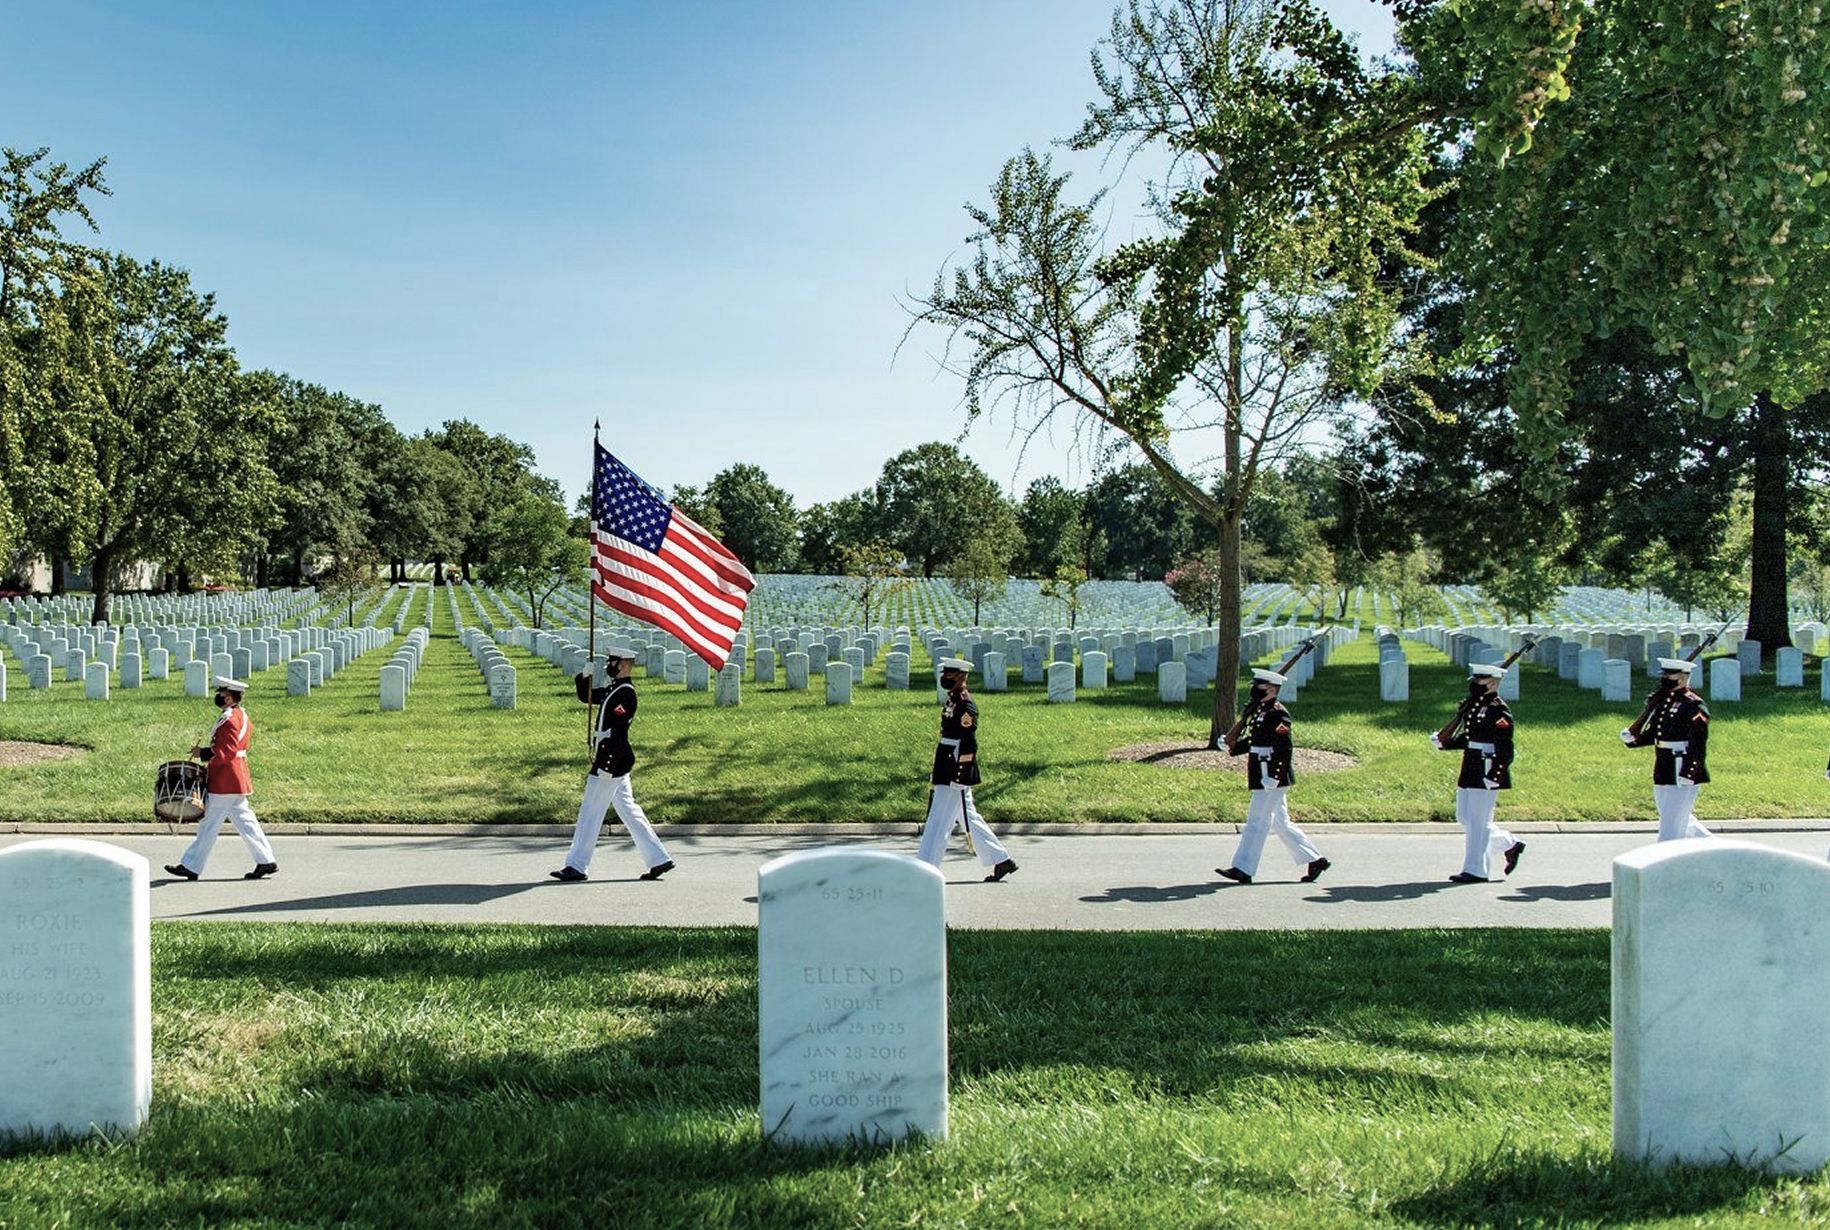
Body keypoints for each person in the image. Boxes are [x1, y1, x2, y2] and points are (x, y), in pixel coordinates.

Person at [552, 645, 675, 882]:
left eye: (614, 661)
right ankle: (659, 859)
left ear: (626, 664)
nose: (610, 665)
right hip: (614, 762)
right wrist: (584, 677)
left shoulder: (626, 693)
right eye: (610, 661)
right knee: (628, 809)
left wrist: (605, 765)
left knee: (590, 812)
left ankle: (577, 865)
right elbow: (586, 698)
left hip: (611, 762)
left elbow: (617, 734)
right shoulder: (614, 689)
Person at [1216, 668, 1329, 885]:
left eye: (1258, 687)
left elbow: (1284, 749)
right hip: (1261, 771)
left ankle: (1243, 868)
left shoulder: (1278, 713)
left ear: (1270, 689)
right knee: (1280, 822)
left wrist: (1275, 778)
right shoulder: (1261, 711)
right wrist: (1231, 746)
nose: (1254, 690)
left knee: (1257, 821)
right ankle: (1316, 859)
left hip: (1271, 775)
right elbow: (1255, 740)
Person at [164, 676, 278, 881]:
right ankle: (266, 860)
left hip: (226, 779)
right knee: (246, 821)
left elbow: (226, 751)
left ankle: (191, 866)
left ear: (229, 697)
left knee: (209, 824)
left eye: (221, 694)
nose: (218, 697)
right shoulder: (241, 714)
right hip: (236, 776)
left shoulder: (230, 719)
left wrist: (203, 753)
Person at [917, 658, 1017, 880]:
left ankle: (925, 868)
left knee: (939, 818)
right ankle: (1000, 859)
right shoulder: (953, 699)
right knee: (966, 814)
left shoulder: (965, 704)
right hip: (946, 760)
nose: (944, 678)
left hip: (954, 767)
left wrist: (961, 775)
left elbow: (969, 742)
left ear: (960, 677)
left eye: (949, 675)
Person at [1433, 661, 1526, 883]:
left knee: (1479, 821)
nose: (1475, 683)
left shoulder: (1498, 709)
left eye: (1480, 680)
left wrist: (1496, 773)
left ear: (1493, 683)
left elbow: (1505, 747)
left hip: (1487, 765)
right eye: (1475, 679)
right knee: (1464, 816)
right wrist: (1446, 742)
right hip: (1471, 763)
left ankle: (1476, 870)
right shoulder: (1475, 705)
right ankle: (1509, 843)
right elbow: (1470, 738)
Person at [1622, 657, 1713, 841]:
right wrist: (1633, 738)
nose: (1665, 678)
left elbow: (1697, 742)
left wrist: (1689, 771)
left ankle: (1664, 858)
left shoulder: (1693, 705)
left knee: (1671, 822)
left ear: (1684, 677)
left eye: (1670, 675)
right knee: (1677, 817)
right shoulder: (1664, 701)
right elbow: (1657, 732)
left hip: (1681, 765)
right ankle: (1711, 846)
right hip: (1663, 764)